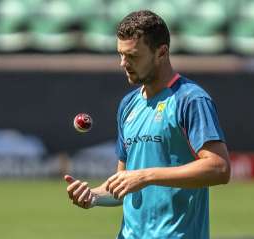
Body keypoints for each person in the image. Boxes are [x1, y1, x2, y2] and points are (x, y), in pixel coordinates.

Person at [64, 10, 230, 239]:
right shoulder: (128, 105)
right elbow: (122, 185)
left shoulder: (190, 99)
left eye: (133, 56)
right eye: (120, 55)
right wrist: (93, 196)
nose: (123, 63)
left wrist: (145, 176)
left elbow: (219, 168)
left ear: (161, 53)